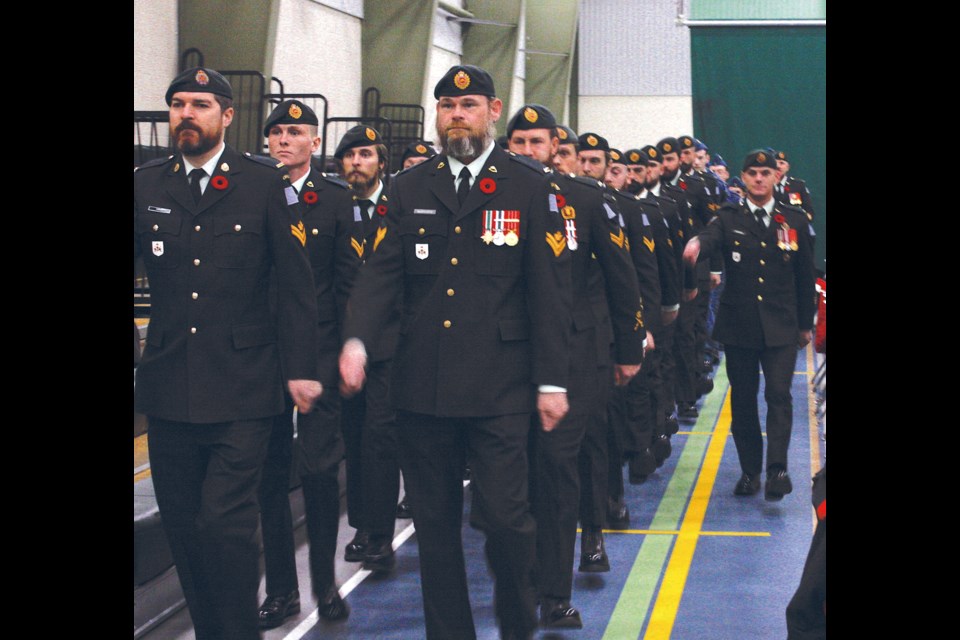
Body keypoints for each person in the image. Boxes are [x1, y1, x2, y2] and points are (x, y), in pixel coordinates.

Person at [339, 64, 573, 640]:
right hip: (423, 386)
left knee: (508, 523)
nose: (456, 116)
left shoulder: (529, 185)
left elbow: (549, 292)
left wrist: (552, 381)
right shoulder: (409, 188)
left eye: (467, 105)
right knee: (436, 528)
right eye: (446, 106)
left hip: (501, 387)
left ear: (493, 112)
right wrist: (356, 340)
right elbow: (380, 276)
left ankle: (518, 625)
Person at [133, 67, 322, 640]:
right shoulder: (145, 185)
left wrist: (301, 371)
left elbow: (295, 286)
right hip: (169, 387)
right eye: (178, 105)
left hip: (245, 387)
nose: (186, 114)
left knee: (225, 523)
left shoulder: (263, 185)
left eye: (199, 104)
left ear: (227, 116)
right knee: (185, 530)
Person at [507, 104, 644, 628]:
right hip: (511, 357)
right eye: (517, 143)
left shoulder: (585, 200)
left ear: (555, 150)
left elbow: (621, 275)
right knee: (513, 476)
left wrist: (628, 348)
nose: (527, 153)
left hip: (578, 357)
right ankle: (522, 577)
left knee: (558, 470)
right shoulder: (490, 202)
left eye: (537, 144)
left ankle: (554, 592)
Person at [255, 99, 359, 628]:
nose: (283, 140)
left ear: (315, 143)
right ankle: (281, 589)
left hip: (318, 353)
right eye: (276, 132)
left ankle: (324, 582)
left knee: (319, 472)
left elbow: (349, 284)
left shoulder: (337, 200)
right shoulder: (253, 194)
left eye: (295, 132)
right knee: (268, 477)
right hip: (259, 357)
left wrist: (349, 347)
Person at [682, 149, 815, 499]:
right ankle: (749, 470)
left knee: (778, 395)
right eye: (753, 173)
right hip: (740, 325)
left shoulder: (795, 220)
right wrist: (698, 243)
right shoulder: (728, 216)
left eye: (765, 173)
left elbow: (804, 278)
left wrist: (805, 326)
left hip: (782, 325)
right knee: (742, 400)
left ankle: (777, 470)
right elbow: (711, 239)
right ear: (744, 176)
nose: (759, 178)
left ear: (776, 177)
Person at [334, 125, 402, 574]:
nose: (356, 162)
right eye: (350, 155)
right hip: (341, 343)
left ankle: (380, 533)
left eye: (365, 154)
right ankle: (361, 525)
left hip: (391, 342)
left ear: (381, 162)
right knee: (354, 438)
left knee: (380, 437)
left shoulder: (398, 207)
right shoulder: (330, 207)